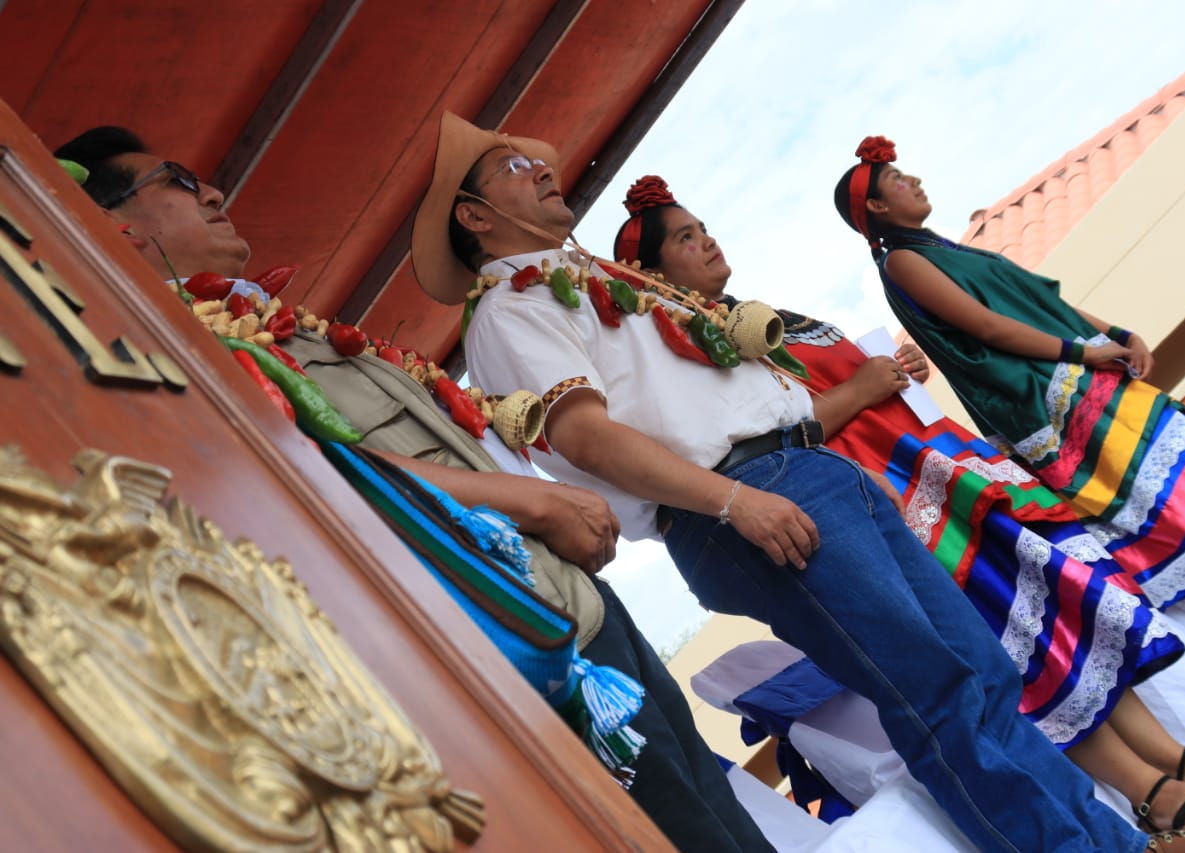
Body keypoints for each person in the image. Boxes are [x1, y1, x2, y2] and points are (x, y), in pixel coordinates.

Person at [411, 109, 1185, 852]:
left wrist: (821, 470)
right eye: (513, 168)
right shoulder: (511, 309)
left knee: (979, 671)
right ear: (477, 217)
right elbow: (584, 435)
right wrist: (735, 499)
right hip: (738, 497)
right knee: (938, 689)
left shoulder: (598, 280)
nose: (540, 168)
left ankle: (1117, 835)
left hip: (803, 470)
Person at [55, 125, 775, 853]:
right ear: (119, 227)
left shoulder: (269, 327)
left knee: (728, 830)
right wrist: (534, 499)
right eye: (177, 180)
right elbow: (304, 472)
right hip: (512, 647)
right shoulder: (179, 353)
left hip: (567, 603)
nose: (212, 191)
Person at [613, 174, 1185, 833]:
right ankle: (1148, 790)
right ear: (651, 272)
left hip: (940, 467)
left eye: (703, 228)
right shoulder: (695, 348)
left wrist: (890, 372)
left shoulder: (751, 318)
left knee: (1061, 610)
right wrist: (863, 388)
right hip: (895, 497)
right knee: (1012, 640)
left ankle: (1175, 758)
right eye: (686, 238)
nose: (707, 242)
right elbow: (774, 440)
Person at [831, 135, 1185, 643]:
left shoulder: (940, 250)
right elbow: (987, 327)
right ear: (877, 206)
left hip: (1082, 384)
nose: (913, 180)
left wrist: (1116, 334)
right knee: (1168, 516)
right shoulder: (902, 261)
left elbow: (1039, 300)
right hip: (1048, 402)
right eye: (897, 179)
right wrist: (1084, 352)